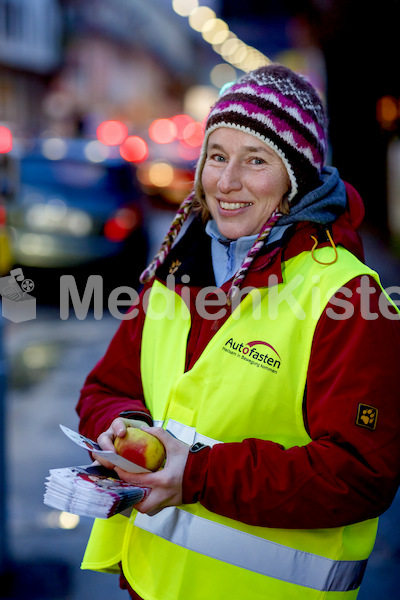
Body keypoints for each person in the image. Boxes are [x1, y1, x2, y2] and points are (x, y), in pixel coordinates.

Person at [76, 64, 400, 600]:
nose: (226, 182)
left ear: (295, 180)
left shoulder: (348, 297)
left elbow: (360, 472)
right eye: (217, 157)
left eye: (255, 161)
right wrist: (123, 428)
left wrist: (198, 474)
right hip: (150, 586)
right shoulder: (175, 273)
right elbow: (104, 389)